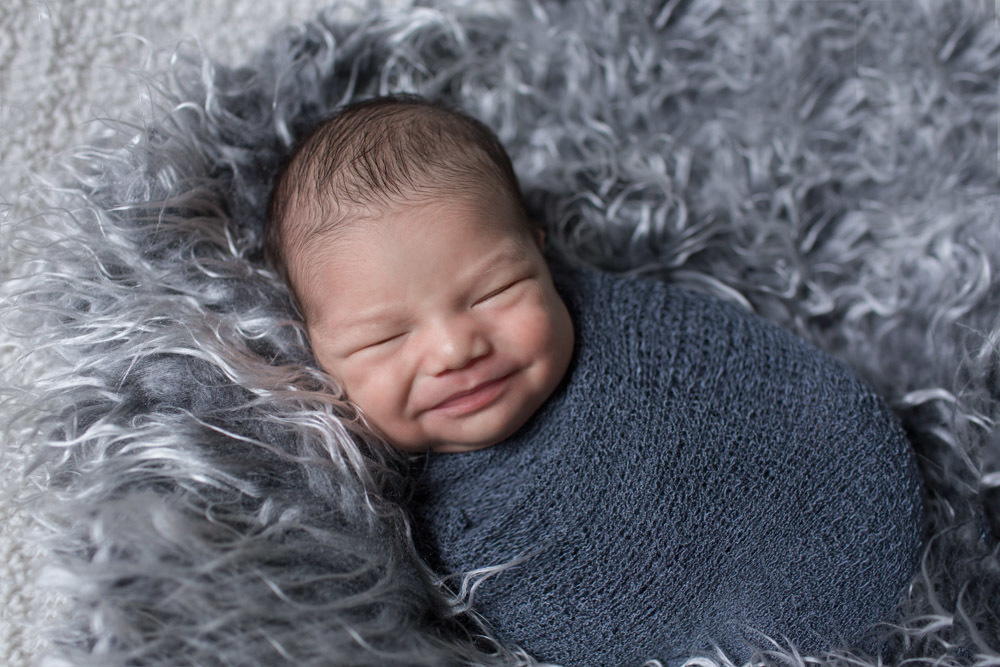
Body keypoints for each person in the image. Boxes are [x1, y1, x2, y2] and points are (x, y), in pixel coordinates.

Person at [265, 94, 925, 665]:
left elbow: (779, 404)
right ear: (314, 351)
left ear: (540, 251)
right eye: (387, 336)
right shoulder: (375, 515)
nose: (454, 347)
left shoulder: (651, 345)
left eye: (494, 290)